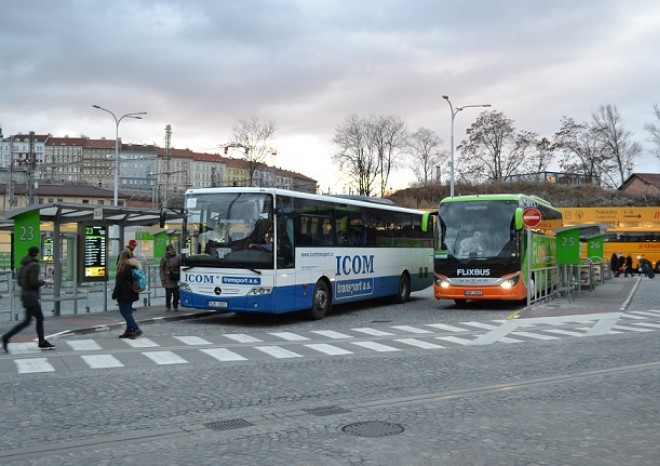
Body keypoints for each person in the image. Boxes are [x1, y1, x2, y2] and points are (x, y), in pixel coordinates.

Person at [2, 247, 55, 352]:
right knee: (39, 318)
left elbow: (19, 282)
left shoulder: (23, 266)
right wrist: (45, 281)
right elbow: (33, 282)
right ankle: (41, 342)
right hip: (31, 296)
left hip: (25, 295)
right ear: (36, 254)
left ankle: (6, 337)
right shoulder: (34, 266)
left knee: (27, 321)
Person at [112, 256, 143, 338]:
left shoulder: (124, 270)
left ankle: (136, 329)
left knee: (125, 312)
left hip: (124, 294)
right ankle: (129, 331)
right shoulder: (133, 268)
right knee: (128, 312)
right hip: (132, 293)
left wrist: (114, 294)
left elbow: (119, 283)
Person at [160, 244, 181, 312]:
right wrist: (163, 279)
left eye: (173, 249)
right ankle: (168, 306)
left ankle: (175, 306)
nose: (172, 251)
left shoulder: (178, 257)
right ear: (167, 251)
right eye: (170, 250)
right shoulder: (164, 258)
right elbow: (161, 269)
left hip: (176, 278)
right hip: (167, 278)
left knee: (176, 294)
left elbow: (181, 266)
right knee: (168, 294)